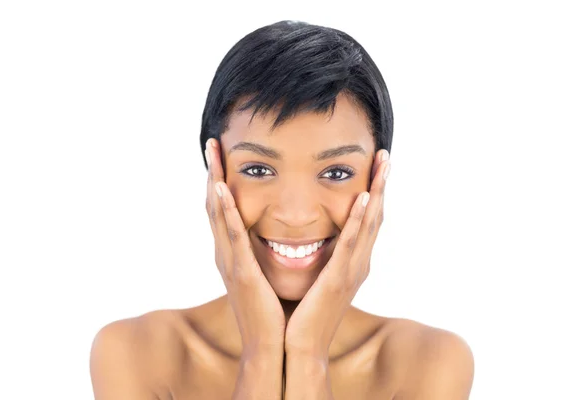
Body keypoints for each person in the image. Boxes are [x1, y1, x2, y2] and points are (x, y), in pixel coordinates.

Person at [90, 20, 474, 399]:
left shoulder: (430, 363)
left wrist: (308, 356)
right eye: (258, 169)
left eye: (336, 171)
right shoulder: (135, 354)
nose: (295, 214)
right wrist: (261, 353)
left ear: (376, 181)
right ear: (215, 173)